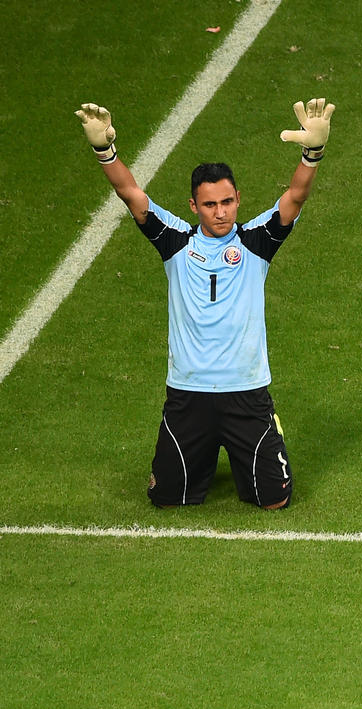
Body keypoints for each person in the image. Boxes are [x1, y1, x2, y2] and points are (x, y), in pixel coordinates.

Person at [75, 98, 335, 509]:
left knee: (274, 502)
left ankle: (259, 436)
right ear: (194, 206)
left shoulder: (256, 241)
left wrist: (312, 154)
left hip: (246, 392)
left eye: (227, 202)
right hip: (188, 393)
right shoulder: (175, 241)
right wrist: (104, 152)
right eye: (210, 205)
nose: (221, 212)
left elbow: (295, 197)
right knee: (165, 499)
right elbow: (130, 194)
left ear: (238, 200)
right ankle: (205, 454)